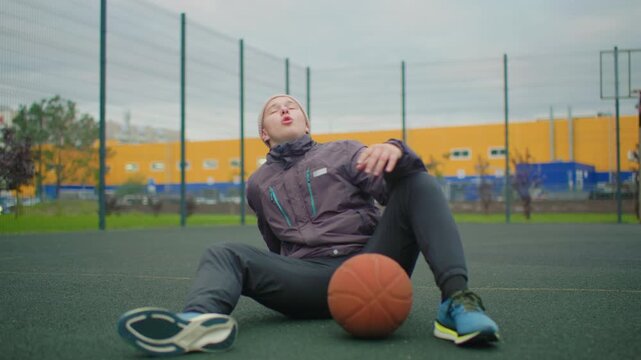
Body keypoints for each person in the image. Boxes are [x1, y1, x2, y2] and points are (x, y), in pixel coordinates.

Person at [117, 94, 500, 356]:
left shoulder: (345, 151)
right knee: (224, 253)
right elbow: (275, 248)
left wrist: (396, 150)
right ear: (263, 133)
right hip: (310, 278)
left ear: (306, 122)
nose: (285, 111)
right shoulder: (257, 185)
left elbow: (392, 190)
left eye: (292, 107)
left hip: (372, 261)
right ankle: (198, 323)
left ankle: (456, 304)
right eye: (274, 110)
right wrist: (289, 273)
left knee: (416, 180)